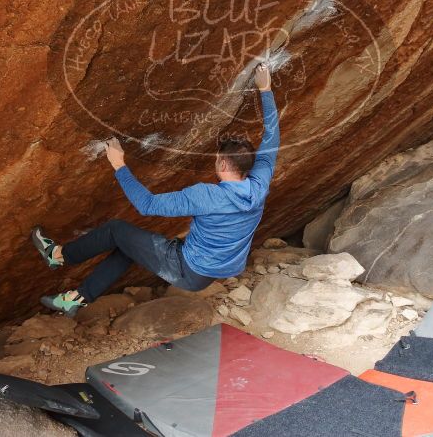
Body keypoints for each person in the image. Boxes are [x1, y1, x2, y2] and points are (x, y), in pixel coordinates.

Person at [30, 63, 279, 317]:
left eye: (217, 158)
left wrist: (119, 164)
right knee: (129, 246)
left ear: (224, 163)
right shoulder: (259, 183)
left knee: (116, 229)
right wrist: (266, 88)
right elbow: (272, 137)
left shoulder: (206, 195)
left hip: (186, 268)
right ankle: (76, 298)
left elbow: (147, 205)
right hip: (213, 271)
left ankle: (58, 255)